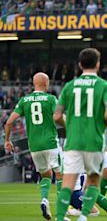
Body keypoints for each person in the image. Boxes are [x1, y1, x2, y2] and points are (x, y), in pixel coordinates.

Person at [54, 48, 107, 221]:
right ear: (98, 64)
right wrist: (100, 125)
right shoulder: (104, 86)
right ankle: (83, 217)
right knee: (93, 181)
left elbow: (57, 116)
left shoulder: (69, 86)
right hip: (94, 141)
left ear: (80, 64)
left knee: (67, 184)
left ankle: (60, 218)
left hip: (73, 142)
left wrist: (71, 127)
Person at [4, 72, 64, 221]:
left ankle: (44, 200)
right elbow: (58, 116)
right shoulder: (50, 99)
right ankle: (62, 210)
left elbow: (9, 122)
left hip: (35, 146)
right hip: (50, 142)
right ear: (45, 83)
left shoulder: (25, 100)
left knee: (46, 175)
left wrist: (7, 140)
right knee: (61, 174)